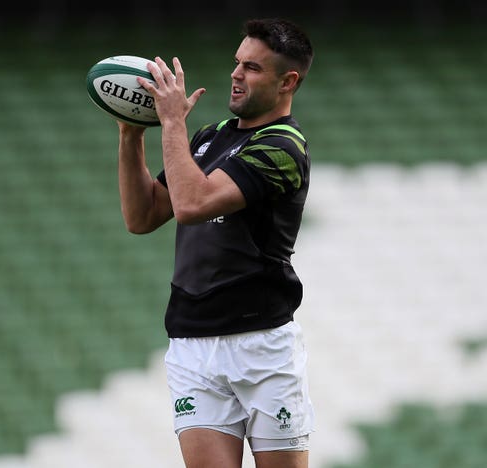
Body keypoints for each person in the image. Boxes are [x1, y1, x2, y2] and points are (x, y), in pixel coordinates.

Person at [117, 17, 315, 468]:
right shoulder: (211, 139)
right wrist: (132, 134)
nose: (236, 74)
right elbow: (142, 215)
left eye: (252, 67)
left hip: (260, 344)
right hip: (192, 341)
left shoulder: (283, 147)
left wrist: (171, 123)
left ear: (288, 81)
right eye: (236, 63)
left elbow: (191, 204)